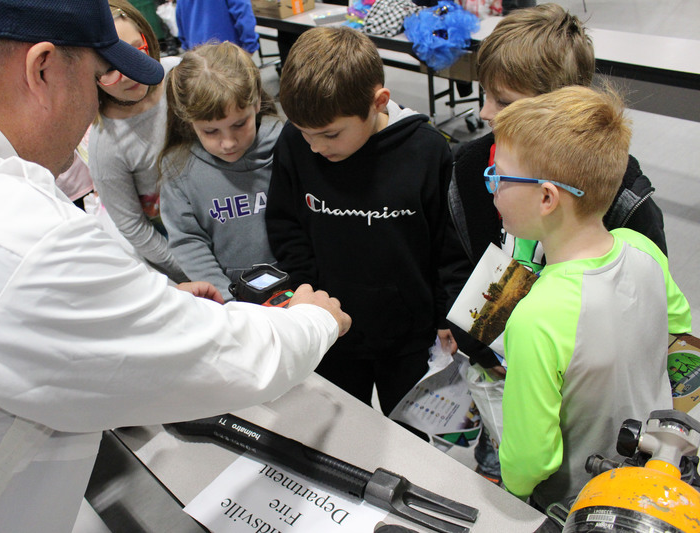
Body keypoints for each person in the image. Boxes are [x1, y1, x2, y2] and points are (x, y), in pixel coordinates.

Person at [0, 1, 352, 531]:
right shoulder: (21, 238)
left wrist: (144, 309)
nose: (98, 101)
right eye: (96, 80)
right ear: (42, 69)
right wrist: (312, 319)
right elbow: (228, 359)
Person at [439, 2, 669, 481]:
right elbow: (454, 256)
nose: (484, 111)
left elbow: (651, 309)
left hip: (594, 407)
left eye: (503, 101)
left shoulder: (621, 194)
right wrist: (476, 342)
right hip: (501, 382)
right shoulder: (467, 168)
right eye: (485, 94)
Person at [489, 85, 692, 509]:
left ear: (546, 197)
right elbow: (679, 331)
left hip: (575, 502)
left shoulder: (537, 317)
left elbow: (530, 461)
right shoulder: (643, 249)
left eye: (500, 177)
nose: (493, 190)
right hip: (652, 479)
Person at [265, 26, 455, 416]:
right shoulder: (294, 143)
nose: (315, 147)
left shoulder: (427, 151)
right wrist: (307, 297)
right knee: (339, 426)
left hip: (409, 337)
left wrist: (445, 313)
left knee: (410, 436)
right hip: (330, 328)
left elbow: (448, 243)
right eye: (305, 134)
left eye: (330, 134)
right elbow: (285, 225)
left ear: (379, 102)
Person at [159, 42, 281, 301]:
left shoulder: (287, 143)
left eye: (239, 124)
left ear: (257, 101)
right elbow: (188, 241)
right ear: (188, 121)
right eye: (210, 131)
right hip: (234, 297)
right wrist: (227, 301)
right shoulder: (178, 167)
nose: (228, 142)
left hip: (303, 285)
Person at [89, 0, 187, 280]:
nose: (129, 71)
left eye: (135, 50)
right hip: (176, 243)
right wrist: (188, 268)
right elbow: (134, 227)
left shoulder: (179, 74)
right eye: (109, 67)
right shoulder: (107, 145)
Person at [176, 0, 260, 54]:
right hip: (227, 56)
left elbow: (180, 20)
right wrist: (250, 46)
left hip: (197, 56)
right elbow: (244, 15)